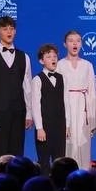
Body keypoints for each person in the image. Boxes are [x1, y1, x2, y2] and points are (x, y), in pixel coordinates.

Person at [0, 14, 33, 161]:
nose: (9, 32)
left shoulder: (24, 57)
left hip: (19, 112)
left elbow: (27, 87)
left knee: (17, 154)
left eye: (11, 28)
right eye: (5, 29)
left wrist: (29, 113)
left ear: (15, 31)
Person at [58, 30, 96, 169]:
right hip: (66, 108)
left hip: (83, 110)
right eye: (71, 41)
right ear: (65, 44)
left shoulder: (87, 65)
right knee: (68, 144)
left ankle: (84, 175)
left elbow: (92, 92)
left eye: (78, 41)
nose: (75, 44)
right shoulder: (59, 65)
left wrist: (93, 120)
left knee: (83, 145)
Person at [31, 43, 68, 171]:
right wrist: (39, 128)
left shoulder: (62, 78)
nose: (53, 59)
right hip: (45, 127)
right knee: (44, 162)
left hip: (60, 126)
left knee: (60, 162)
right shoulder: (37, 79)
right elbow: (35, 105)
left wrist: (67, 125)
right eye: (48, 57)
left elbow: (66, 102)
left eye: (55, 56)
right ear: (41, 61)